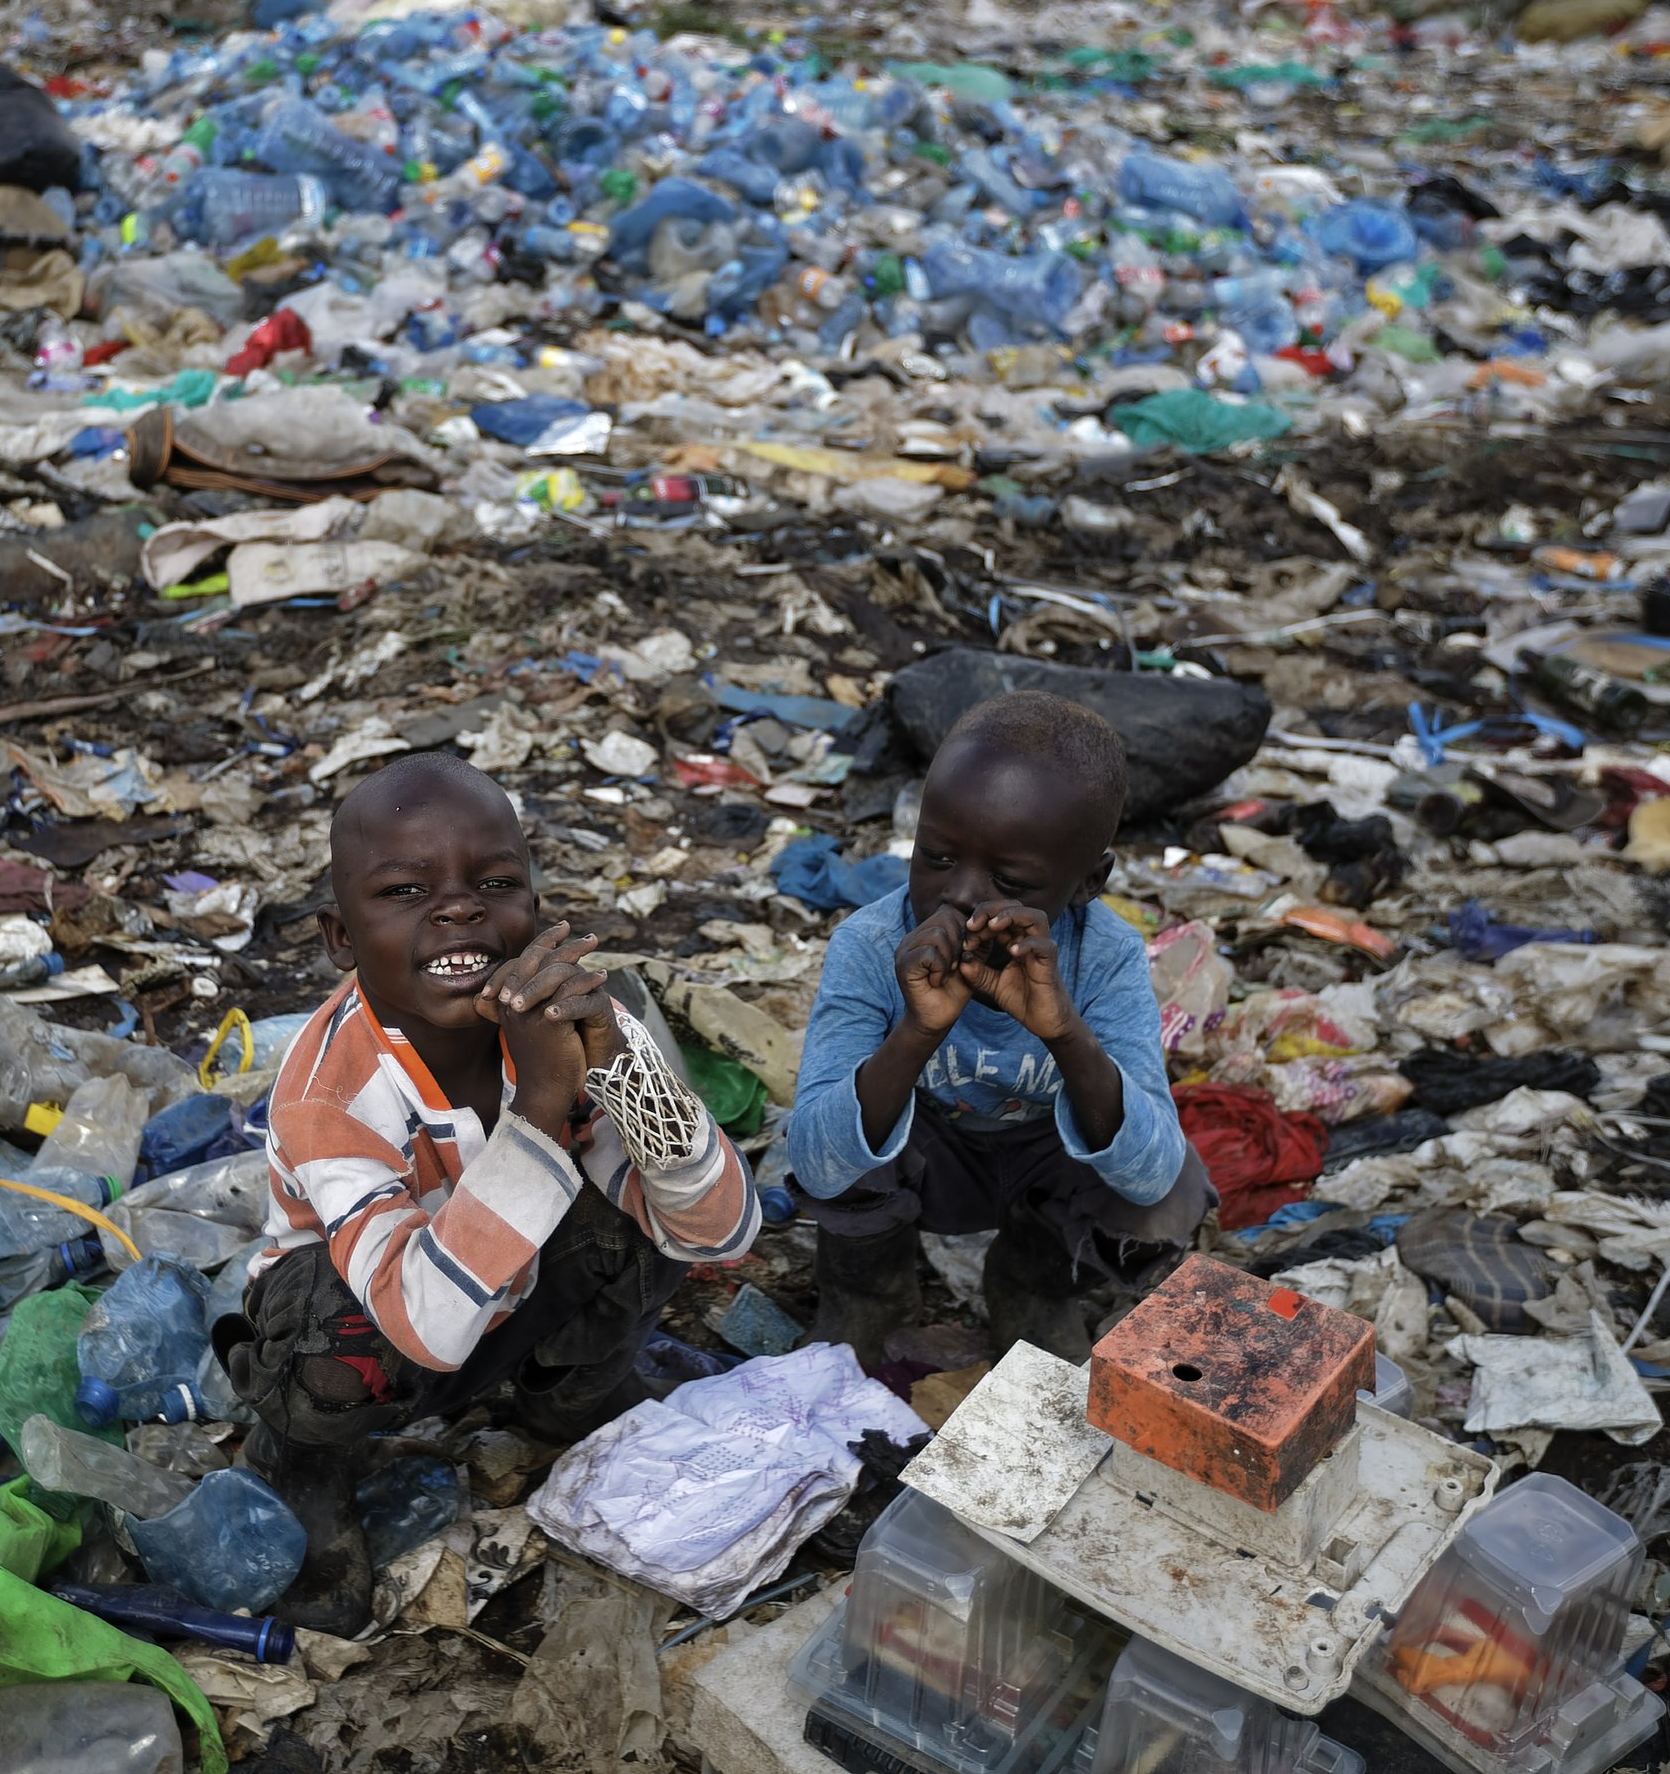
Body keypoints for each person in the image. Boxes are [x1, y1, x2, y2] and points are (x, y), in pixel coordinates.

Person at [218, 751, 761, 1634]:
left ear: (535, 914)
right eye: (403, 891)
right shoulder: (330, 1093)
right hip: (386, 1329)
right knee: (329, 1330)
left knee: (642, 1219)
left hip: (512, 1293)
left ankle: (567, 1397)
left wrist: (627, 1070)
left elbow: (719, 1233)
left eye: (496, 881)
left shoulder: (581, 1021)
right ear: (340, 939)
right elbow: (425, 1328)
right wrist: (545, 1103)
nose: (459, 907)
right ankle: (302, 1459)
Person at [791, 692, 1210, 1365]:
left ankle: (1033, 1285)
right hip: (934, 1157)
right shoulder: (871, 944)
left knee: (1172, 1173)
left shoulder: (1104, 956)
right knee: (837, 1116)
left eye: (1009, 879)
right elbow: (814, 1158)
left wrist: (1066, 1033)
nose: (960, 893)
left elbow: (1151, 1174)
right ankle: (869, 1298)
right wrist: (916, 1034)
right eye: (935, 855)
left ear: (1087, 881)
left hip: (1042, 1164)